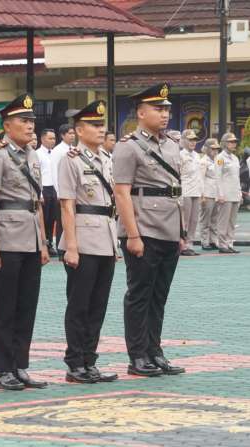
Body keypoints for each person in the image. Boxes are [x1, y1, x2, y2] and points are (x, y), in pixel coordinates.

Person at [113, 83, 186, 377]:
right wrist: (132, 234)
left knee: (160, 295)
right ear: (141, 113)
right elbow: (122, 192)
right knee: (140, 294)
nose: (165, 114)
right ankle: (138, 356)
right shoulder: (128, 147)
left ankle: (155, 351)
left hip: (168, 227)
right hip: (143, 227)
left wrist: (181, 232)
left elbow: (175, 191)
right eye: (158, 109)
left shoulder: (171, 144)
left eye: (167, 109)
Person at [0, 94, 50, 391]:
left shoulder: (32, 154)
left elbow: (37, 202)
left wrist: (44, 242)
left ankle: (20, 365)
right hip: (7, 238)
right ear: (7, 125)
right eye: (24, 120)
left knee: (26, 307)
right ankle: (3, 369)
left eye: (32, 120)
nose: (30, 125)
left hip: (31, 237)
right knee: (6, 307)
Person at [57, 100, 119, 384]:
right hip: (82, 238)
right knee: (79, 304)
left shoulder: (106, 158)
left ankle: (90, 361)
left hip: (105, 237)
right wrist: (71, 246)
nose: (100, 129)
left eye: (101, 125)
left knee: (98, 305)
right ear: (79, 130)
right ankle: (75, 363)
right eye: (94, 125)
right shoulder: (70, 159)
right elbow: (67, 205)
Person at [215, 132, 242, 254]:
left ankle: (230, 243)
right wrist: (220, 194)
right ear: (225, 143)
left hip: (235, 193)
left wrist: (240, 193)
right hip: (225, 194)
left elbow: (237, 178)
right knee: (223, 221)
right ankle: (222, 244)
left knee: (232, 221)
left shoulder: (235, 158)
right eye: (231, 142)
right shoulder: (220, 158)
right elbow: (218, 177)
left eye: (235, 141)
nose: (234, 144)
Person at [50, 124, 77, 248]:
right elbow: (54, 172)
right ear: (62, 135)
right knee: (62, 220)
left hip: (74, 191)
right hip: (62, 190)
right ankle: (62, 248)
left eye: (73, 133)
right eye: (69, 133)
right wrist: (59, 191)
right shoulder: (58, 151)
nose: (72, 136)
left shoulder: (74, 149)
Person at [36, 128, 59, 256]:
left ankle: (50, 243)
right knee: (43, 218)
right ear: (43, 139)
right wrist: (39, 194)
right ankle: (42, 243)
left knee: (52, 218)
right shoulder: (37, 154)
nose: (53, 141)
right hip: (43, 188)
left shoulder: (55, 153)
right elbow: (36, 176)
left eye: (54, 138)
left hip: (54, 189)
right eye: (50, 138)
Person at [179, 129, 202, 256]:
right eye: (190, 140)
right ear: (184, 141)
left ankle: (190, 244)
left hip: (196, 191)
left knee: (194, 220)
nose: (193, 142)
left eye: (194, 140)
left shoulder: (197, 155)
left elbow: (200, 176)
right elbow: (177, 175)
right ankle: (182, 245)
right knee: (185, 220)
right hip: (186, 190)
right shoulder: (181, 155)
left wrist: (202, 191)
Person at [199, 138, 221, 251]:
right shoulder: (203, 161)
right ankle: (204, 241)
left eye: (217, 149)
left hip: (216, 193)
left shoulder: (218, 160)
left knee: (215, 219)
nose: (215, 151)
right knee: (205, 219)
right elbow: (201, 178)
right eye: (213, 149)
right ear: (207, 149)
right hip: (207, 193)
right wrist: (202, 195)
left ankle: (213, 240)